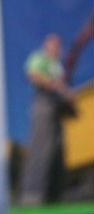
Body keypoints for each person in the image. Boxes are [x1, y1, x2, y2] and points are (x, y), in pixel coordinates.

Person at [19, 34, 74, 205]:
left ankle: (54, 196)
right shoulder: (39, 58)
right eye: (53, 45)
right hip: (43, 105)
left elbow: (62, 86)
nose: (56, 48)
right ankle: (33, 195)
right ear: (46, 46)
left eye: (58, 46)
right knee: (41, 150)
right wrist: (54, 86)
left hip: (57, 109)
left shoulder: (58, 66)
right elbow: (33, 75)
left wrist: (67, 95)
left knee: (57, 150)